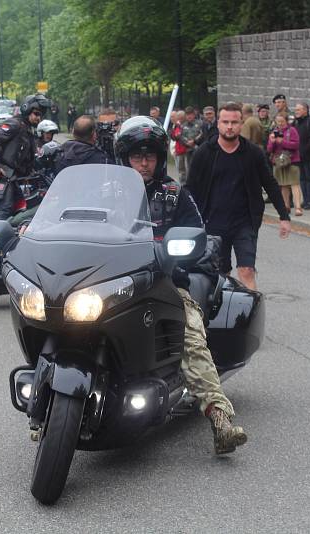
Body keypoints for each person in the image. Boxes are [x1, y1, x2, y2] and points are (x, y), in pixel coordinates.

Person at [114, 115, 247, 455]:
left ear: (159, 158)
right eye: (136, 156)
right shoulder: (108, 193)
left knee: (191, 335)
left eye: (150, 156)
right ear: (124, 158)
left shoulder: (175, 195)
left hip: (165, 285)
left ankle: (220, 419)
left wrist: (184, 254)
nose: (144, 162)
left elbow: (200, 238)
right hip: (112, 283)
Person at [187, 102, 291, 290]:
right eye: (225, 122)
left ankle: (251, 315)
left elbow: (270, 184)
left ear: (241, 124)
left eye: (234, 122)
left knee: (247, 271)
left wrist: (284, 216)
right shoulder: (205, 153)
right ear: (218, 123)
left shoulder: (253, 153)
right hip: (213, 223)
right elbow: (190, 188)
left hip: (245, 222)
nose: (229, 126)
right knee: (220, 274)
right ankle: (219, 315)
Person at [0, 93, 50, 219]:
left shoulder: (28, 128)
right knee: (6, 208)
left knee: (23, 207)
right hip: (6, 175)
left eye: (41, 115)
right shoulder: (15, 124)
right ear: (27, 110)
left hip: (17, 177)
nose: (39, 118)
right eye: (36, 114)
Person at [267, 112, 303, 216]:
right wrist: (273, 141)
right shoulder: (274, 132)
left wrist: (281, 141)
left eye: (282, 121)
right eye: (278, 121)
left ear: (286, 121)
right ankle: (286, 206)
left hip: (292, 160)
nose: (280, 123)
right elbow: (269, 149)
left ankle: (298, 207)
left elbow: (295, 145)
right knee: (283, 185)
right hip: (279, 161)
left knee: (294, 184)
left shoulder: (292, 130)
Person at [178, 106, 203, 180]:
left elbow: (203, 135)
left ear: (194, 115)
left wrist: (194, 141)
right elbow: (181, 137)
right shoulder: (183, 126)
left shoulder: (200, 123)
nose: (189, 116)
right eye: (187, 114)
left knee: (200, 167)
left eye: (191, 114)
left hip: (199, 150)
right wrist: (187, 142)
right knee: (190, 168)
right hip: (188, 150)